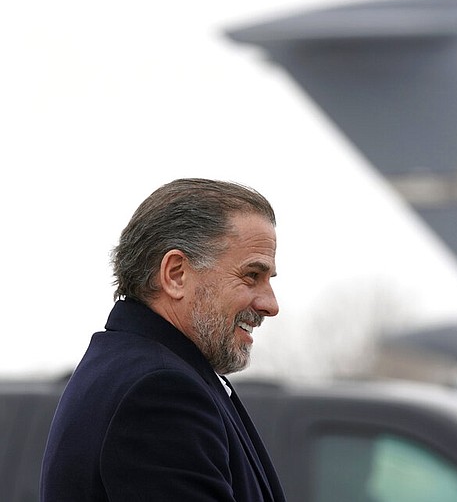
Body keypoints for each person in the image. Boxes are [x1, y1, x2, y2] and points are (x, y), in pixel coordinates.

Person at [40, 178, 286, 502]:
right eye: (251, 276)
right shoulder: (159, 391)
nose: (270, 305)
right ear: (175, 274)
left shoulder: (139, 371)